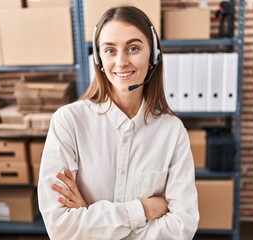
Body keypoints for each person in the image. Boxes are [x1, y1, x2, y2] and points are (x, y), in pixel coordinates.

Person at [38, 5, 199, 240]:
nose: (121, 62)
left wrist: (90, 221)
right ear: (99, 58)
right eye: (110, 50)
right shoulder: (69, 122)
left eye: (133, 48)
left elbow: (182, 226)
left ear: (153, 55)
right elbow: (60, 227)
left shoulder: (172, 131)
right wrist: (144, 209)